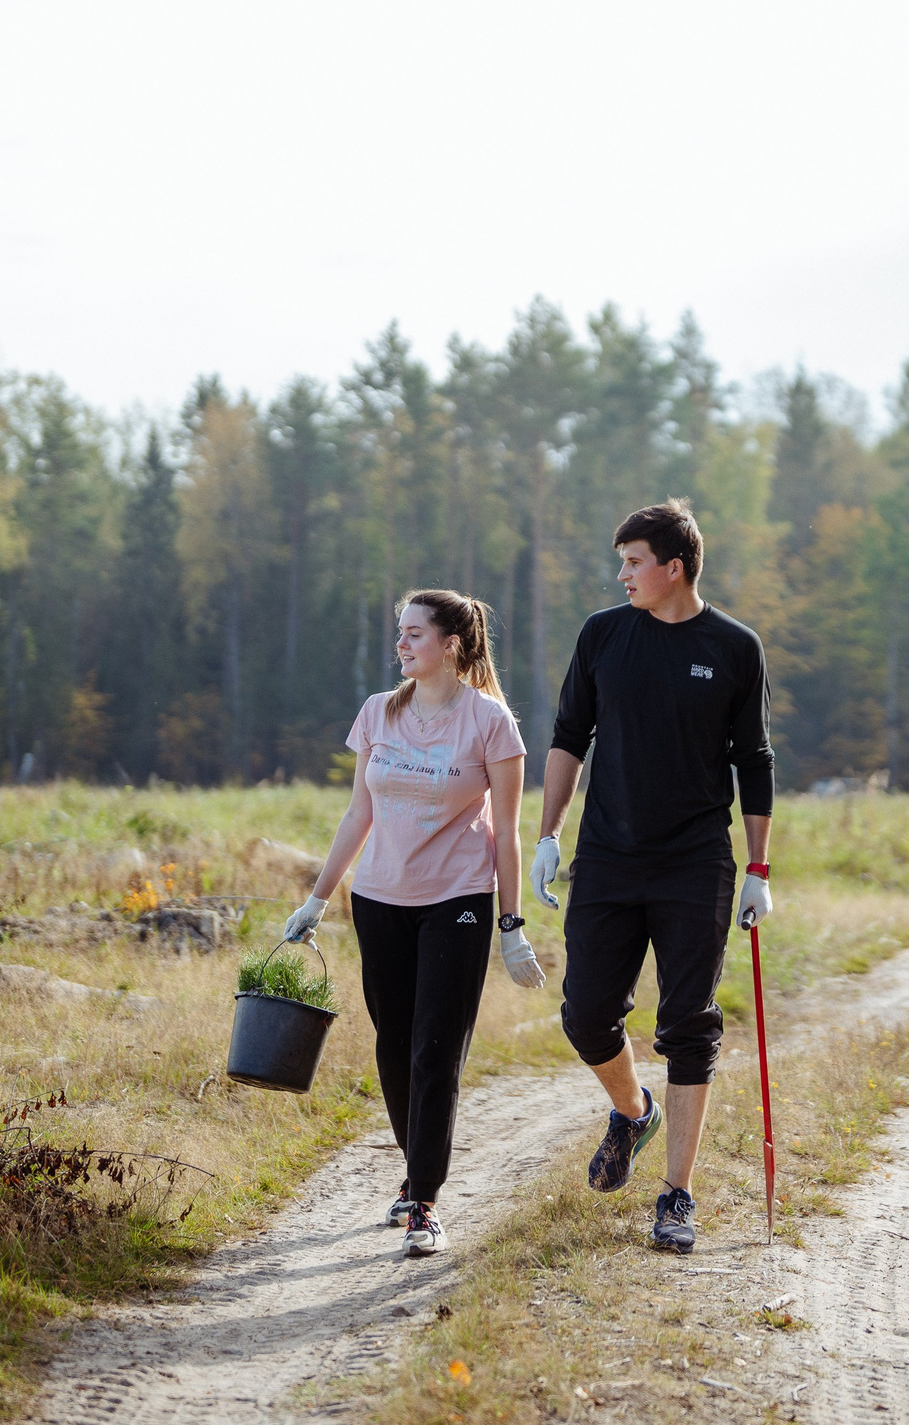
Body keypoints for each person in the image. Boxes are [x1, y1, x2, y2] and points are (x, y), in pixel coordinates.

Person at [530, 499, 774, 1255]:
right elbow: (570, 735)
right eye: (622, 561)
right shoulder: (604, 634)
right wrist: (547, 835)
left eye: (633, 560)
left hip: (695, 861)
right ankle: (633, 1110)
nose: (622, 573)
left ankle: (676, 1195)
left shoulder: (734, 647)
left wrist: (758, 867)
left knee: (688, 1025)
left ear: (674, 568)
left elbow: (754, 760)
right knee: (585, 1013)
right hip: (606, 855)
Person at [283, 589, 545, 1258]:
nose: (401, 645)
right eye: (399, 633)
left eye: (414, 634)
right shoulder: (378, 712)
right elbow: (356, 816)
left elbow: (509, 833)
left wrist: (511, 925)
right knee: (394, 1045)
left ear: (451, 643)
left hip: (457, 897)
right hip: (377, 900)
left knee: (435, 1049)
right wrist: (317, 898)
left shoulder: (491, 724)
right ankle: (415, 1172)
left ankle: (423, 1200)